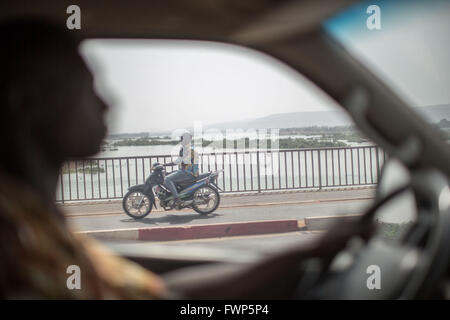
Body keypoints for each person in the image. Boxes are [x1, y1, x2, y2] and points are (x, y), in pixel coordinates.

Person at [0, 19, 375, 299]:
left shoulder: (41, 225)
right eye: (84, 86)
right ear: (28, 100)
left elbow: (157, 293)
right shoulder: (13, 241)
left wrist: (305, 250)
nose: (106, 102)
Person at [163, 132, 199, 207]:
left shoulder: (189, 150)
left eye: (182, 139)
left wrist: (165, 164)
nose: (181, 140)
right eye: (181, 139)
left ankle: (177, 199)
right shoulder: (185, 148)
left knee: (167, 179)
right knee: (167, 175)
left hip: (188, 173)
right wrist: (165, 165)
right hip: (184, 171)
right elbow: (179, 160)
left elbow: (180, 161)